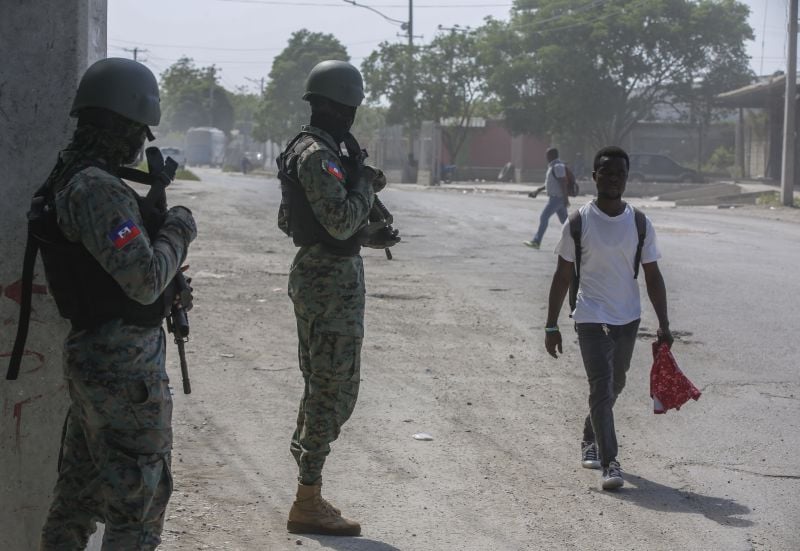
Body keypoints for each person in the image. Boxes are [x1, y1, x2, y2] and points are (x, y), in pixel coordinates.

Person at [34, 58, 197, 549]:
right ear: (122, 124)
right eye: (139, 131)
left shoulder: (73, 177)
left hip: (100, 363)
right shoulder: (97, 189)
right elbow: (145, 280)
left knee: (77, 500)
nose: (140, 143)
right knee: (138, 511)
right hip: (123, 370)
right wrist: (178, 228)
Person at [276, 60, 390, 537]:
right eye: (348, 109)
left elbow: (293, 220)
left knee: (323, 383)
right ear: (343, 107)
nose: (349, 117)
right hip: (328, 282)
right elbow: (339, 222)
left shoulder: (312, 149)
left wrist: (365, 232)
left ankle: (308, 479)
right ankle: (307, 497)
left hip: (323, 274)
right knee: (333, 388)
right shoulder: (318, 155)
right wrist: (363, 185)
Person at [542, 145, 673, 491]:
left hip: (627, 318)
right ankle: (609, 461)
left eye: (620, 174)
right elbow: (562, 276)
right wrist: (552, 325)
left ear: (626, 179)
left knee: (616, 384)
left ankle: (590, 435)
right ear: (595, 176)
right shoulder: (578, 222)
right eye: (607, 172)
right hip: (590, 315)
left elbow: (653, 276)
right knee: (601, 385)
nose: (614, 179)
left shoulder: (640, 223)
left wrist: (664, 323)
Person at [524, 147, 569, 249]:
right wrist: (537, 191)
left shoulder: (558, 166)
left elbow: (563, 182)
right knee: (566, 222)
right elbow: (550, 183)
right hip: (558, 198)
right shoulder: (553, 167)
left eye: (547, 155)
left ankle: (536, 241)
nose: (546, 157)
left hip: (557, 199)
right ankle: (582, 240)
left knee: (544, 217)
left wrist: (566, 199)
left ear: (551, 155)